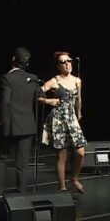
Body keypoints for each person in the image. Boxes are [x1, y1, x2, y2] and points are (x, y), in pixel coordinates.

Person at [0, 47, 41, 199]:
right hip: (27, 126)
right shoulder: (33, 78)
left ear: (13, 59)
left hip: (10, 125)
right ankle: (21, 193)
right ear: (27, 63)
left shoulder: (7, 78)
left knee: (1, 158)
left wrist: (0, 119)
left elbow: (5, 102)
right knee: (22, 162)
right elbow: (40, 96)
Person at [40, 51, 86, 193]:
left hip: (71, 118)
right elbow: (37, 94)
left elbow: (78, 99)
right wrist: (48, 101)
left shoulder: (77, 80)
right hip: (59, 119)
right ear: (58, 66)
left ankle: (75, 178)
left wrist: (78, 113)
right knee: (62, 155)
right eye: (63, 62)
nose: (67, 64)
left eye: (69, 61)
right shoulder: (55, 81)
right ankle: (62, 187)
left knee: (80, 152)